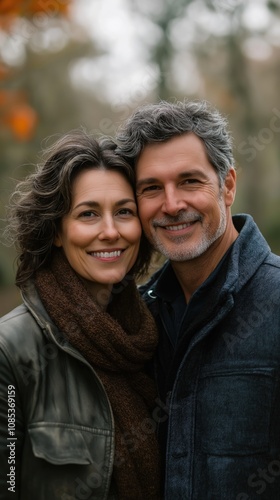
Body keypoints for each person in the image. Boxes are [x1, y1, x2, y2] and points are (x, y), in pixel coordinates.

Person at [116, 99, 280, 500]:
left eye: (190, 181)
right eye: (152, 188)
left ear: (227, 186)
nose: (171, 205)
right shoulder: (137, 321)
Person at [0, 130, 161, 500]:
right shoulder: (11, 350)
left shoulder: (152, 336)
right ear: (57, 230)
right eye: (88, 214)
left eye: (124, 212)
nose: (110, 232)